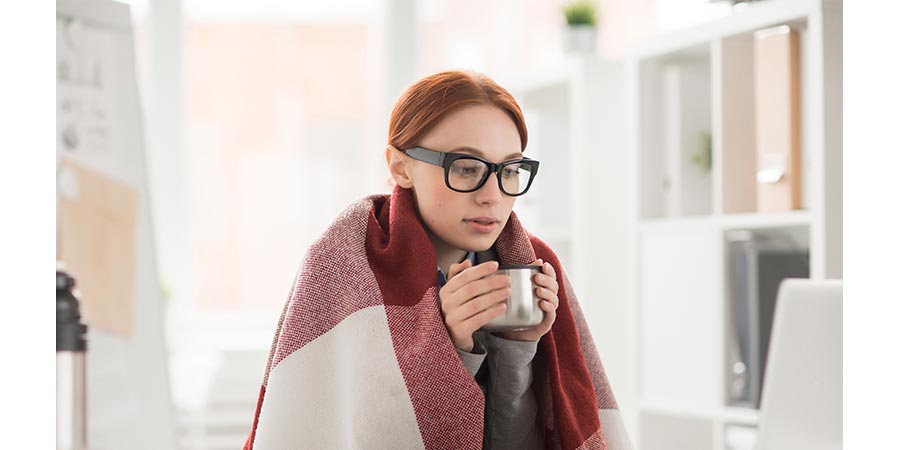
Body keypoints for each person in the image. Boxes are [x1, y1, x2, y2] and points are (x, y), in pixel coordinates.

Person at [243, 70, 632, 450]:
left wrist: (518, 345)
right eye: (466, 168)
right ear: (400, 166)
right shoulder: (342, 266)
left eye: (510, 170)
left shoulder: (534, 264)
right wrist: (450, 348)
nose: (492, 196)